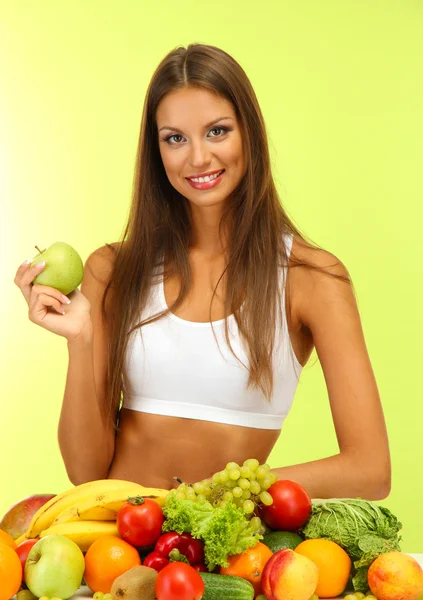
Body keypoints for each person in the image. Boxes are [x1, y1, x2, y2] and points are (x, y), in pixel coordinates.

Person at [14, 43, 391, 500]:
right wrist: (81, 340)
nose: (197, 158)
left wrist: (223, 493)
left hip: (223, 554)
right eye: (175, 138)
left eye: (217, 131)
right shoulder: (114, 269)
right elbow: (86, 473)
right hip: (115, 542)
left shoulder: (311, 278)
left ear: (249, 133)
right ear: (156, 150)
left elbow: (370, 470)